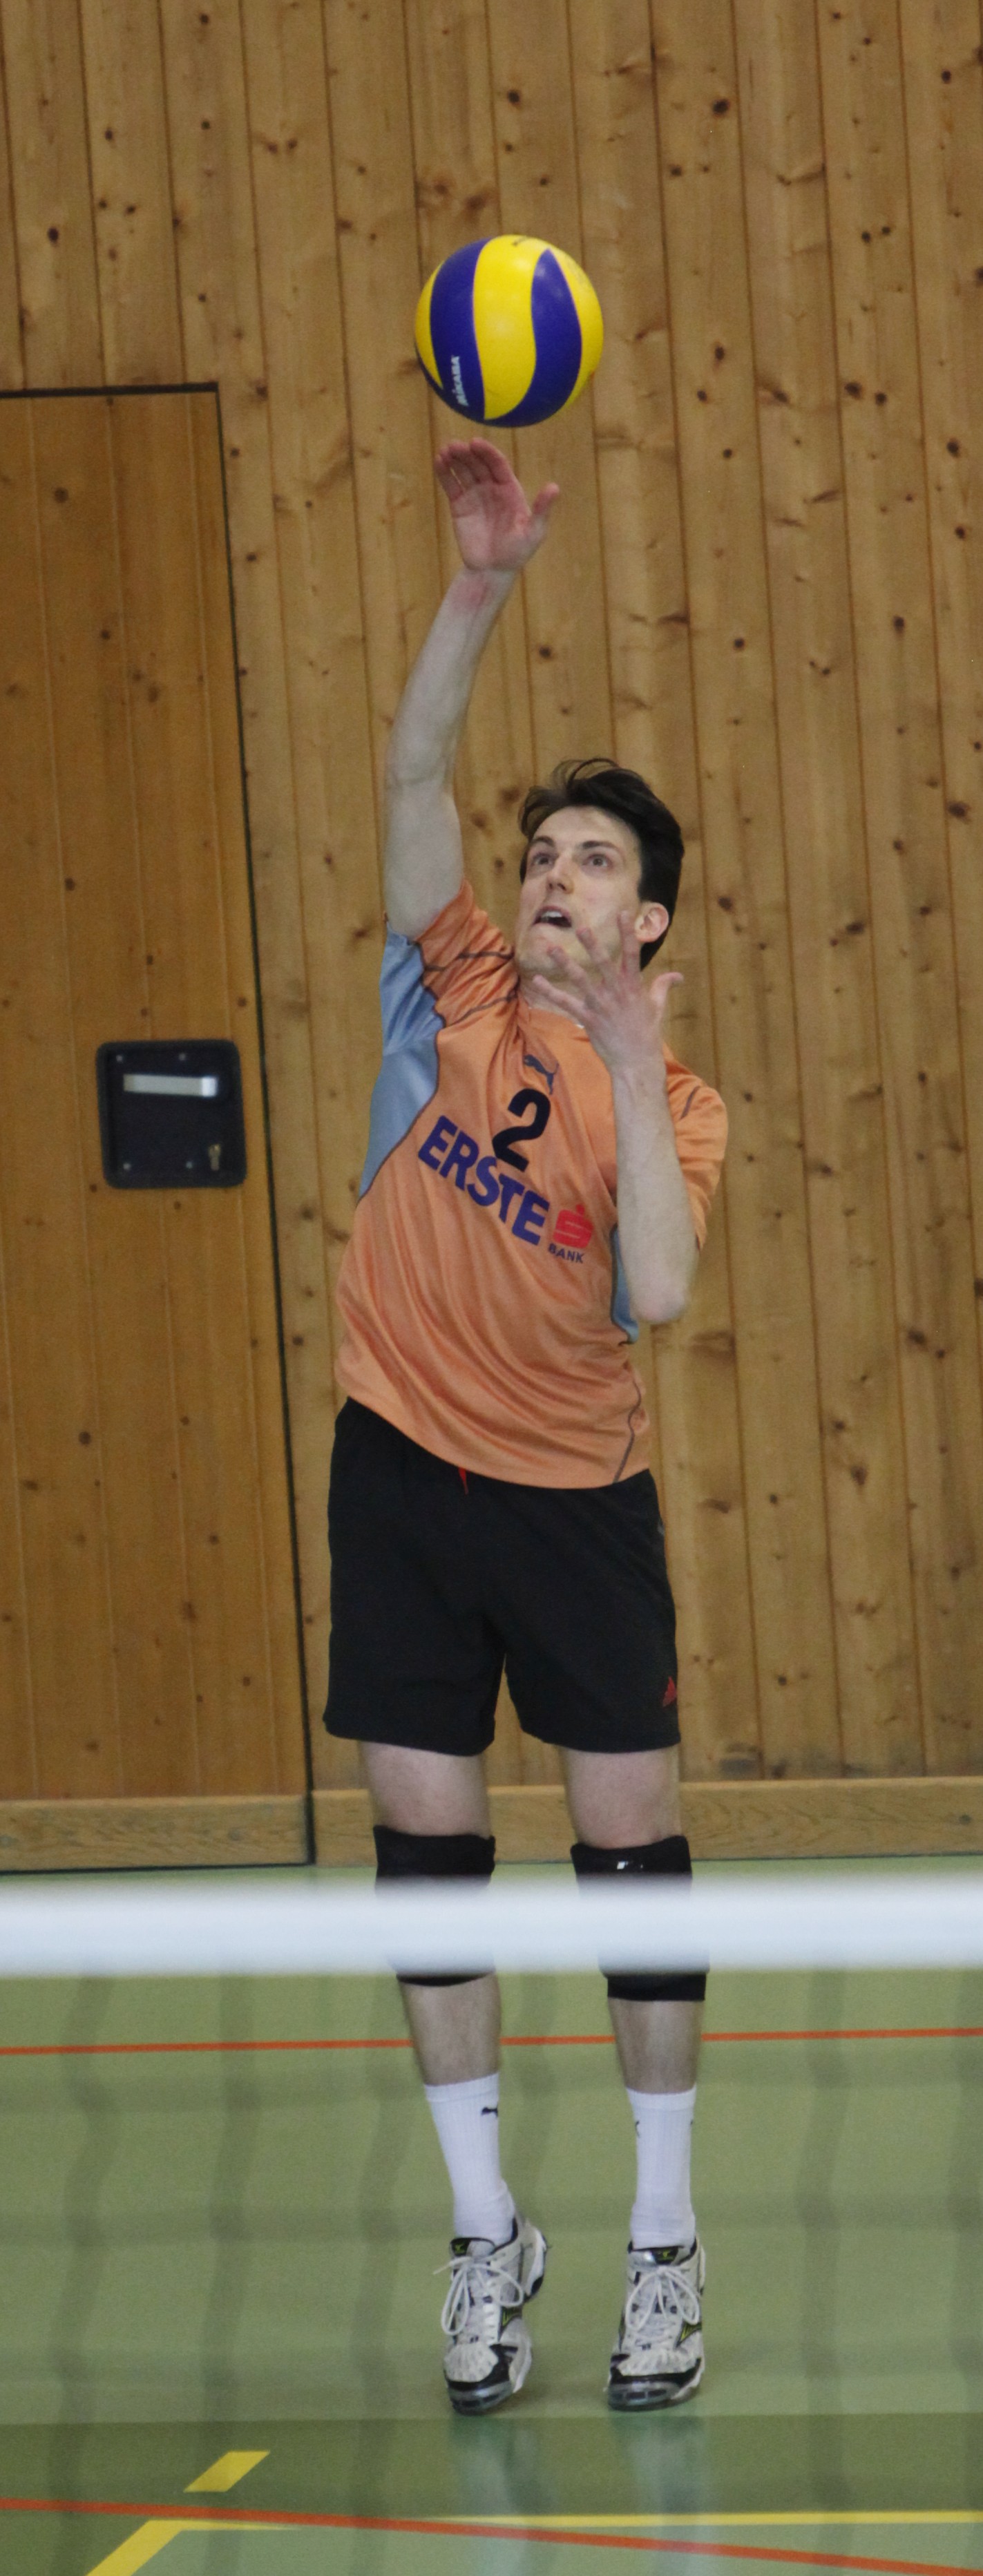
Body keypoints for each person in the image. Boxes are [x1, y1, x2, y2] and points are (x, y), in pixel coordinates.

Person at [324, 437, 727, 2416]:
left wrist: (632, 1064)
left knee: (631, 1855)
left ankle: (663, 2242)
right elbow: (415, 783)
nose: (557, 874)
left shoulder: (683, 1105)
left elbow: (655, 1285)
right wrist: (476, 588)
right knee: (426, 1847)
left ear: (647, 926)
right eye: (550, 850)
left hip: (575, 1505)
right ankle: (486, 2229)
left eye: (596, 864)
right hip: (402, 1467)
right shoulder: (462, 987)